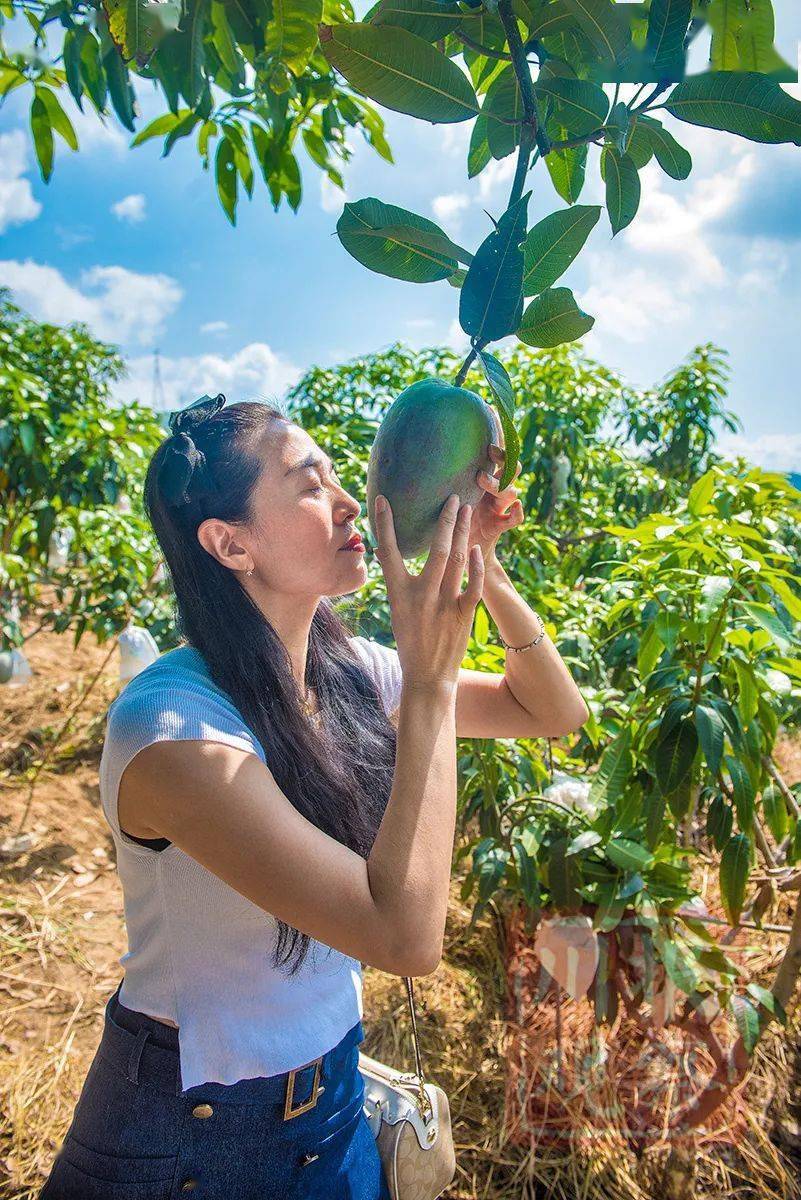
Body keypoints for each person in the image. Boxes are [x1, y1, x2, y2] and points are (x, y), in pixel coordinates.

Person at [38, 392, 587, 1199]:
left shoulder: (349, 673)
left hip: (331, 1108)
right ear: (230, 544)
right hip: (189, 1136)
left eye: (336, 472)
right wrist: (430, 682)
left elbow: (551, 711)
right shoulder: (174, 732)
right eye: (306, 483)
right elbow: (402, 939)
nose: (345, 502)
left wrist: (482, 566)